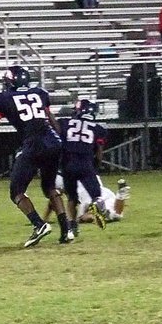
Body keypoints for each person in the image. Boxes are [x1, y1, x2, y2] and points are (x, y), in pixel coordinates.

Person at [0, 66, 73, 247]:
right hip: (53, 142)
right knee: (49, 188)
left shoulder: (3, 99)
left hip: (33, 144)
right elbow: (52, 120)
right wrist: (61, 141)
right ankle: (67, 230)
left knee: (16, 191)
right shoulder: (39, 93)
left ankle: (39, 225)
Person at [57, 98, 109, 234]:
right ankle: (96, 207)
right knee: (97, 195)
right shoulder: (98, 129)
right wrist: (96, 166)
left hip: (67, 164)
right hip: (85, 164)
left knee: (72, 198)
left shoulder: (66, 123)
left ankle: (72, 226)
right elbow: (99, 152)